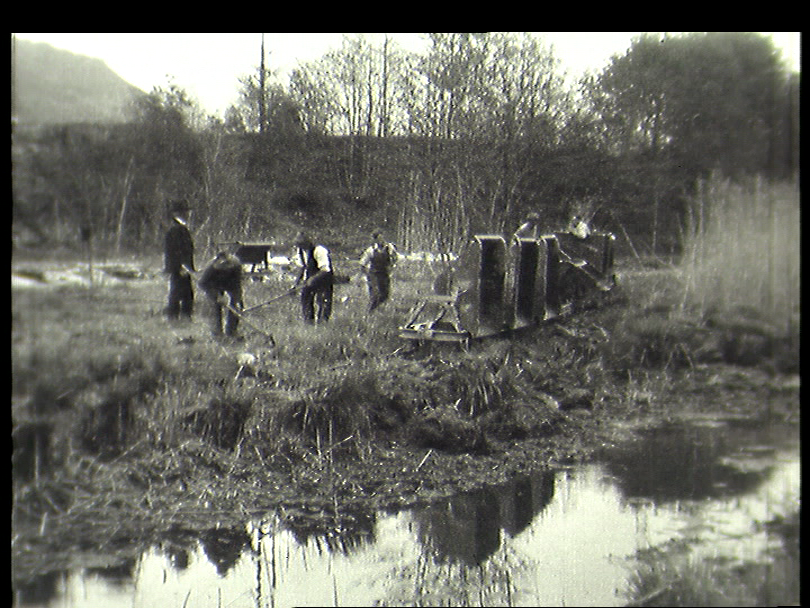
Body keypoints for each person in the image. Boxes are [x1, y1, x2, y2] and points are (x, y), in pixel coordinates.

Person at [198, 251, 244, 338]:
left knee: (236, 306)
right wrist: (217, 295)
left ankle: (232, 331)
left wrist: (236, 298)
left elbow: (237, 284)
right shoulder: (211, 267)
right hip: (214, 285)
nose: (226, 268)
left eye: (227, 266)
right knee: (215, 307)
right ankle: (217, 332)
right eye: (223, 266)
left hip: (231, 285)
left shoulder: (236, 265)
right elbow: (202, 284)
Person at [163, 199, 195, 320]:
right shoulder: (176, 229)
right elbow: (174, 251)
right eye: (185, 211)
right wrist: (181, 266)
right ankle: (174, 317)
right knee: (178, 293)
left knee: (185, 293)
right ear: (177, 214)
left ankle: (183, 317)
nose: (188, 214)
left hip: (183, 267)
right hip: (180, 268)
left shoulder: (181, 228)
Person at [293, 232, 334, 324]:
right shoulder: (300, 252)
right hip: (309, 280)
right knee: (306, 300)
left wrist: (312, 279)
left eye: (302, 245)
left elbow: (325, 269)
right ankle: (309, 324)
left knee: (323, 303)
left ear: (308, 243)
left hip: (323, 280)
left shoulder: (319, 250)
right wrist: (295, 284)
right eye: (299, 245)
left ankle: (322, 324)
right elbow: (302, 267)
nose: (301, 247)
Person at [359, 230, 398, 312]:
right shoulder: (371, 250)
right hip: (374, 274)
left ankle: (378, 310)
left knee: (385, 295)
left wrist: (391, 266)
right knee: (375, 294)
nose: (382, 240)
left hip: (384, 273)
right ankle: (370, 311)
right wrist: (368, 274)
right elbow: (362, 263)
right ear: (375, 240)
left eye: (382, 238)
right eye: (379, 238)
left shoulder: (389, 247)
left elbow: (395, 258)